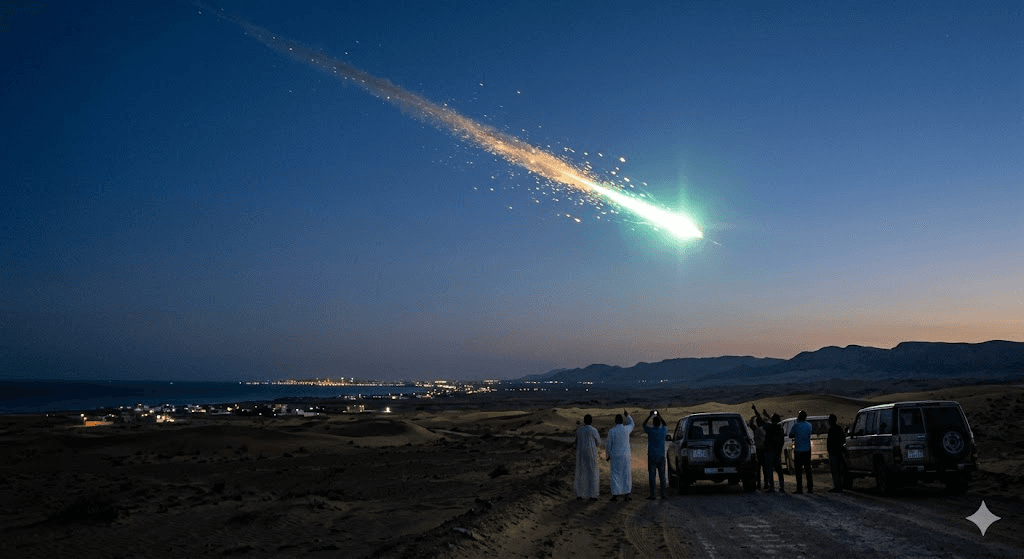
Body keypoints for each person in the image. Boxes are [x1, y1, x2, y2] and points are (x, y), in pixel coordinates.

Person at [606, 409, 634, 501]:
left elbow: (609, 445)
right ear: (622, 421)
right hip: (625, 456)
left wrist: (608, 455)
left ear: (615, 420)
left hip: (615, 456)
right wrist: (628, 416)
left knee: (615, 475)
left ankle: (615, 494)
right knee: (626, 474)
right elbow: (632, 424)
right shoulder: (626, 429)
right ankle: (627, 494)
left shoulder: (612, 431)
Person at [574, 414, 601, 500]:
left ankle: (580, 494)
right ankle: (593, 495)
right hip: (591, 454)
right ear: (591, 421)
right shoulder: (594, 430)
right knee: (592, 473)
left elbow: (576, 441)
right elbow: (598, 442)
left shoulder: (579, 430)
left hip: (581, 455)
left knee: (581, 473)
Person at [643, 411, 669, 499]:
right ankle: (663, 494)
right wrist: (659, 415)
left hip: (652, 456)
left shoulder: (650, 430)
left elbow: (644, 424)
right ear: (660, 423)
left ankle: (653, 494)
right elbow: (665, 424)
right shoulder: (663, 430)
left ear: (653, 423)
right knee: (662, 476)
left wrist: (649, 416)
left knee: (652, 476)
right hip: (661, 456)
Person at [760, 411, 786, 494]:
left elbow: (761, 422)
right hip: (777, 451)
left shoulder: (769, 427)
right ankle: (782, 487)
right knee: (779, 470)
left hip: (770, 451)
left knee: (770, 470)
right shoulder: (780, 428)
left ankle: (772, 488)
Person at [789, 410, 814, 494]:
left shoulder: (796, 425)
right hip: (807, 449)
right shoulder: (809, 425)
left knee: (798, 471)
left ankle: (799, 489)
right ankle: (810, 488)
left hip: (798, 450)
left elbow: (790, 435)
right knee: (808, 470)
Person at [826, 413, 846, 493]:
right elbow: (843, 439)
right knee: (839, 470)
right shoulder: (839, 429)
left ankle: (837, 487)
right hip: (839, 452)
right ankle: (839, 486)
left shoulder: (831, 430)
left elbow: (829, 442)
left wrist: (829, 450)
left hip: (834, 452)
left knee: (835, 470)